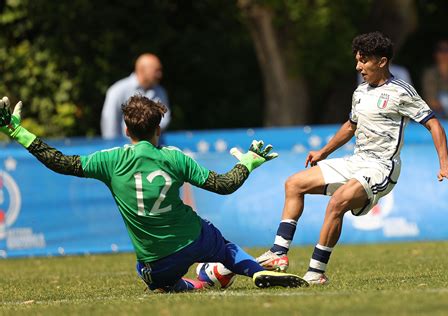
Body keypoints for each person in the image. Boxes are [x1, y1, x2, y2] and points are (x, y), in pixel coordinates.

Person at [0, 95, 308, 292]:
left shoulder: (110, 160)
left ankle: (193, 284)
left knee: (157, 282)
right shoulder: (175, 157)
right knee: (225, 248)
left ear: (125, 130)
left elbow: (60, 162)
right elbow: (224, 185)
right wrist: (248, 162)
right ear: (158, 129)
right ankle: (253, 272)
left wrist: (18, 132)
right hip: (194, 238)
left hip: (156, 261)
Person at [255, 32, 448, 285]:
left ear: (382, 61)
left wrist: (444, 163)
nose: (358, 66)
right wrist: (323, 152)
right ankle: (278, 253)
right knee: (293, 183)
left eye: (363, 60)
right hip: (356, 160)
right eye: (357, 60)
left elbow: (434, 124)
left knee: (337, 203)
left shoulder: (401, 92)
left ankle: (316, 272)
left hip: (381, 168)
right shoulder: (360, 91)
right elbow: (350, 126)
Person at [101, 53, 171, 139]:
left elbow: (165, 119)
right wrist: (114, 146)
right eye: (156, 71)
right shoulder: (118, 90)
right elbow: (110, 123)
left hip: (153, 147)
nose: (160, 75)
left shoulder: (160, 91)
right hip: (125, 148)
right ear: (142, 70)